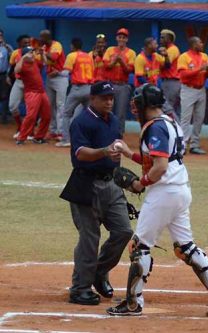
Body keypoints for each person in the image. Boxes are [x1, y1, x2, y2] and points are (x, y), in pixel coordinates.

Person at [106, 84, 208, 317]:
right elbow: (157, 159)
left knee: (139, 246)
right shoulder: (169, 122)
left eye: (139, 103)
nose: (136, 107)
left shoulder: (156, 128)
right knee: (185, 247)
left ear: (147, 105)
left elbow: (160, 167)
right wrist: (128, 153)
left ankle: (133, 303)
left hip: (164, 192)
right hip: (179, 190)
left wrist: (139, 183)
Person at [59, 81, 133, 306]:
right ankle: (80, 288)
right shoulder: (81, 122)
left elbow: (116, 151)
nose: (109, 101)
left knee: (123, 231)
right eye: (104, 98)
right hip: (86, 184)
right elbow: (80, 153)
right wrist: (104, 152)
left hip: (111, 185)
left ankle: (99, 272)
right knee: (89, 239)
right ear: (92, 99)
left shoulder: (114, 121)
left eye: (111, 97)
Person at [177, 36, 208, 155]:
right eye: (200, 42)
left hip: (201, 89)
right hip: (188, 89)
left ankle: (194, 145)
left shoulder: (205, 56)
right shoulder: (184, 57)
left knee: (199, 118)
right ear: (193, 44)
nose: (202, 44)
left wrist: (207, 70)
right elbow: (183, 75)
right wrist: (200, 69)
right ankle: (182, 145)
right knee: (185, 119)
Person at [57, 38, 94, 148]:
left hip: (77, 88)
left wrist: (57, 72)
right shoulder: (88, 56)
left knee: (67, 114)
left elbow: (65, 72)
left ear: (72, 46)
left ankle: (65, 139)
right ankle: (90, 140)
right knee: (91, 115)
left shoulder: (72, 55)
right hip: (89, 88)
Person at [13, 47, 50, 145]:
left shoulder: (34, 62)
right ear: (25, 55)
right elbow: (16, 70)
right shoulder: (22, 64)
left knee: (47, 116)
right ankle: (21, 138)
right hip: (31, 93)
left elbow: (45, 63)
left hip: (42, 92)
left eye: (33, 52)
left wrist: (42, 54)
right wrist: (23, 57)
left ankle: (39, 137)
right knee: (31, 116)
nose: (33, 54)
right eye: (30, 53)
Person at [103, 28, 136, 134]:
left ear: (127, 39)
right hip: (111, 84)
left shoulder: (131, 53)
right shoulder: (110, 50)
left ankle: (119, 135)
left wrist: (121, 61)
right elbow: (106, 66)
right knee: (108, 110)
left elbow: (130, 70)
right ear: (117, 38)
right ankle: (107, 133)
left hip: (123, 85)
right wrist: (114, 61)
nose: (121, 39)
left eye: (124, 37)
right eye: (120, 37)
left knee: (120, 113)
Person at [40, 29, 67, 141]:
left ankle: (61, 132)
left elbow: (54, 57)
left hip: (60, 77)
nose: (41, 39)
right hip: (50, 77)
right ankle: (53, 131)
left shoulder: (57, 45)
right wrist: (41, 53)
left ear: (47, 37)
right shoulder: (45, 48)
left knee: (60, 105)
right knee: (50, 105)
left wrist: (43, 52)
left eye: (42, 37)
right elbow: (44, 63)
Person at [8, 34, 30, 138]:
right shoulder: (15, 53)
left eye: (28, 42)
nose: (27, 44)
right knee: (12, 106)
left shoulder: (33, 53)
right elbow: (12, 66)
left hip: (30, 83)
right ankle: (20, 126)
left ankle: (30, 131)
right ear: (19, 43)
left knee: (31, 109)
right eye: (25, 43)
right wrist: (9, 76)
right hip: (18, 82)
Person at [159, 29, 181, 120]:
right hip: (169, 81)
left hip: (171, 81)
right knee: (170, 108)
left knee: (167, 107)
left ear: (169, 39)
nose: (160, 39)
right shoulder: (167, 49)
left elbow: (167, 65)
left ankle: (176, 127)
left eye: (163, 37)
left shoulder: (172, 49)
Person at [0, 29, 13, 124]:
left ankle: (4, 117)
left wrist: (5, 46)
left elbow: (13, 57)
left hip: (3, 75)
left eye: (1, 35)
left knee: (5, 96)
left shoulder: (7, 47)